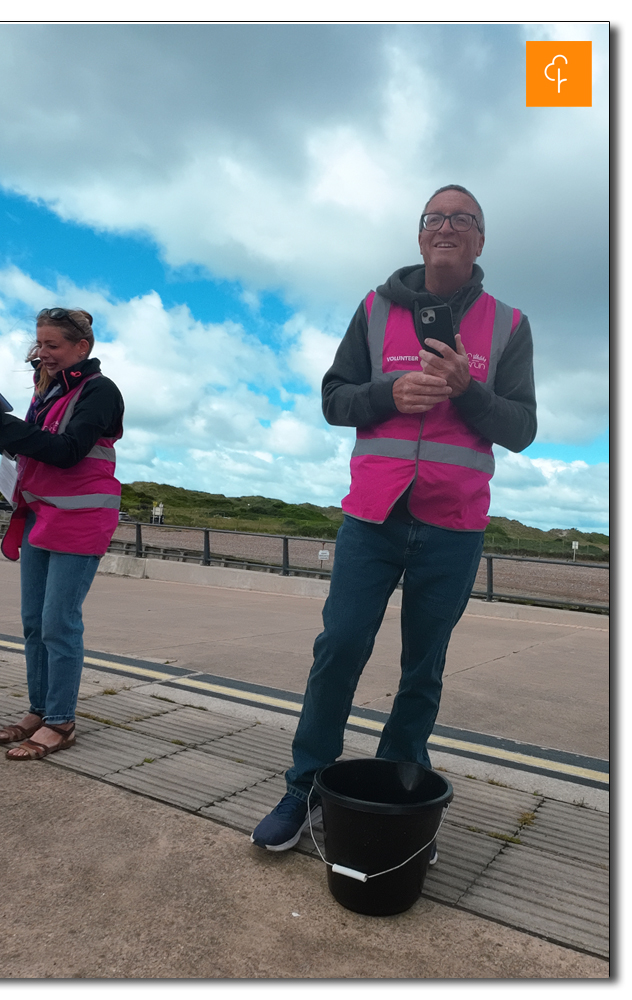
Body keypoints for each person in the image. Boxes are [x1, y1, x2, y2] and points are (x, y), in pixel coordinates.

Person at [251, 185, 536, 854]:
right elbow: (333, 398)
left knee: (422, 670)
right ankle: (305, 786)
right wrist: (387, 394)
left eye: (463, 219)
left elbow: (521, 428)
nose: (448, 227)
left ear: (480, 240)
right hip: (372, 516)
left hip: (455, 524)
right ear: (419, 236)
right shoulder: (374, 309)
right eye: (436, 217)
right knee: (339, 649)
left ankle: (398, 798)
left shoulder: (510, 324)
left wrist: (469, 394)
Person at [0, 308, 124, 760]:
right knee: (34, 622)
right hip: (39, 515)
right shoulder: (48, 392)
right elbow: (27, 447)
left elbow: (68, 452)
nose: (43, 353)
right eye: (40, 345)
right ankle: (40, 709)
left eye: (52, 345)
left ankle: (61, 721)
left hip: (80, 519)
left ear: (81, 348)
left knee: (59, 622)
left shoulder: (100, 391)